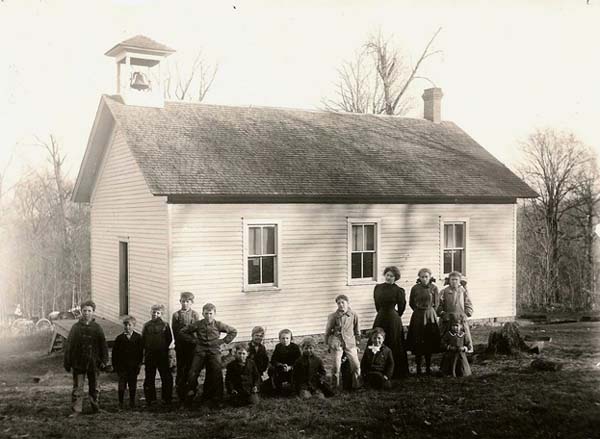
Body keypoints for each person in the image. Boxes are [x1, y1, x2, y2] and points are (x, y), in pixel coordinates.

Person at [180, 303, 237, 405]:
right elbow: (183, 332)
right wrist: (194, 340)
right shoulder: (198, 324)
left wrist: (223, 341)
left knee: (217, 373)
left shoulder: (218, 324)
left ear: (214, 314)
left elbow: (233, 331)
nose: (208, 316)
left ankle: (218, 399)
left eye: (210, 313)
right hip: (200, 351)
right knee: (192, 373)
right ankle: (190, 397)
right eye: (206, 313)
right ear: (202, 313)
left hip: (214, 351)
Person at [63, 300, 109, 417]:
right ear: (81, 312)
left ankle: (95, 407)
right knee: (78, 388)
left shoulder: (97, 328)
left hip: (94, 363)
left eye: (89, 311)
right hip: (79, 363)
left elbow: (103, 345)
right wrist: (67, 362)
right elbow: (69, 346)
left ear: (93, 312)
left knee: (95, 387)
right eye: (84, 311)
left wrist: (104, 360)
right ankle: (76, 410)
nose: (87, 313)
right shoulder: (76, 328)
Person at [372, 266, 409, 378]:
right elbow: (377, 304)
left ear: (395, 278)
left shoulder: (399, 290)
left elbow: (402, 307)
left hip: (393, 319)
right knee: (377, 338)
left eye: (391, 276)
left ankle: (395, 371)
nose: (389, 278)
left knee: (393, 342)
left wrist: (395, 316)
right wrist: (382, 313)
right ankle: (377, 368)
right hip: (381, 316)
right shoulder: (378, 288)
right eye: (387, 275)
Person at [406, 268, 441, 375]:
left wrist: (429, 312)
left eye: (426, 277)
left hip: (430, 316)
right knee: (418, 342)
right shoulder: (415, 288)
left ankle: (428, 367)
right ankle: (418, 367)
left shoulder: (434, 288)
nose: (424, 279)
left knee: (428, 341)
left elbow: (437, 303)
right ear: (419, 278)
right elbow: (411, 303)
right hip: (418, 317)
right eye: (422, 277)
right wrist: (419, 311)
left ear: (429, 277)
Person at [324, 294, 361, 390]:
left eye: (343, 302)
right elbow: (328, 331)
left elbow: (357, 331)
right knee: (336, 367)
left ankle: (357, 385)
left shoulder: (353, 315)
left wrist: (357, 343)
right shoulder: (333, 316)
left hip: (350, 343)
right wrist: (328, 344)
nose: (341, 305)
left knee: (356, 365)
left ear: (347, 303)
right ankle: (334, 386)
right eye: (338, 303)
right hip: (337, 344)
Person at [142, 304, 173, 406]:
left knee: (166, 377)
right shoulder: (146, 325)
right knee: (149, 377)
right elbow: (143, 340)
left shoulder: (165, 325)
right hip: (150, 355)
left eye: (158, 313)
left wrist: (163, 348)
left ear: (162, 314)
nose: (155, 314)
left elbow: (169, 339)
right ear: (151, 312)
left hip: (162, 355)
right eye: (154, 312)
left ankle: (166, 398)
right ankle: (151, 399)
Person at [171, 291, 200, 402]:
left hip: (192, 346)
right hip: (181, 346)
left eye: (187, 301)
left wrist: (195, 341)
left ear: (191, 302)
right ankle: (180, 393)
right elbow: (176, 332)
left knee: (192, 368)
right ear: (180, 302)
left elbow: (196, 330)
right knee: (181, 369)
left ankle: (192, 391)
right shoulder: (176, 315)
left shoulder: (195, 315)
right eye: (183, 301)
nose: (185, 304)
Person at [112, 315, 144, 409]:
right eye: (126, 325)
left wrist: (139, 364)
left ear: (134, 325)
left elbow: (140, 353)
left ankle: (132, 402)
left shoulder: (138, 338)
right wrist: (115, 366)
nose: (127, 327)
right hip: (122, 367)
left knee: (132, 385)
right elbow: (115, 354)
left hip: (133, 367)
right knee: (122, 385)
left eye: (129, 325)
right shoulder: (119, 338)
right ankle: (121, 403)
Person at [437, 271, 474, 340]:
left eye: (456, 280)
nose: (454, 281)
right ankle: (446, 347)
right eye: (452, 279)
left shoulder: (463, 291)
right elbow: (439, 304)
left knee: (463, 336)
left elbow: (468, 303)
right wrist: (443, 314)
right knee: (446, 335)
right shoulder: (444, 291)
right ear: (449, 280)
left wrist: (467, 313)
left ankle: (465, 347)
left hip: (460, 318)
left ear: (459, 280)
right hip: (448, 318)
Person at [268, 329, 301, 395]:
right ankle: (277, 389)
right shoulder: (278, 347)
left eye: (287, 338)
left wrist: (290, 367)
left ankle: (294, 388)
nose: (285, 340)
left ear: (291, 338)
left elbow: (299, 361)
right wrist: (281, 365)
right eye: (283, 338)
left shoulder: (295, 347)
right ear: (279, 339)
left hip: (292, 369)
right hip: (281, 368)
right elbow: (273, 360)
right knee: (271, 369)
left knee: (298, 370)